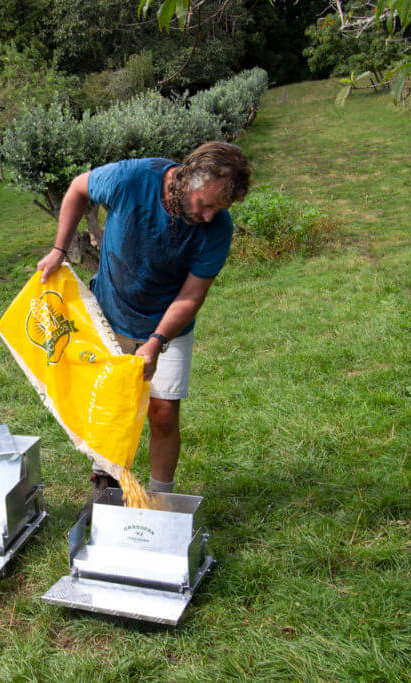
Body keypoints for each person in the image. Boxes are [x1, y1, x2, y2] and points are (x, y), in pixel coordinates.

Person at [36, 141, 250, 499]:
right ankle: (105, 481)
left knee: (163, 411)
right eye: (206, 204)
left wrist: (157, 341)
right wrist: (59, 249)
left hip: (168, 324)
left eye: (220, 209)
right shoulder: (132, 178)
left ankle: (159, 497)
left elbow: (191, 295)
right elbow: (77, 187)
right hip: (111, 311)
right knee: (109, 402)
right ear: (187, 178)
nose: (210, 216)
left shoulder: (218, 229)